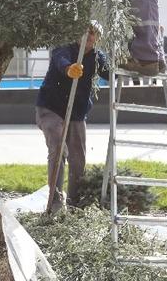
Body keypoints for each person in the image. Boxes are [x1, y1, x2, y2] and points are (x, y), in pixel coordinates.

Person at [36, 21, 109, 213]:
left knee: (78, 159)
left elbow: (110, 72)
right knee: (59, 149)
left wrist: (127, 63)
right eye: (87, 32)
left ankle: (75, 205)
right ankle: (55, 204)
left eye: (94, 34)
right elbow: (60, 60)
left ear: (98, 38)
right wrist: (69, 68)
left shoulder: (97, 57)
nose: (90, 37)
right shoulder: (65, 48)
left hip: (76, 112)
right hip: (51, 109)